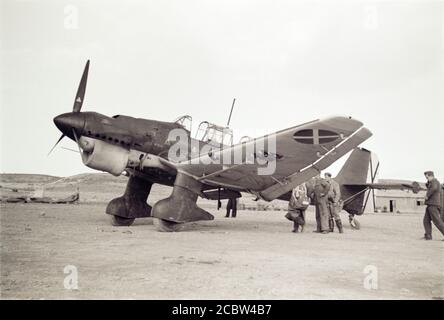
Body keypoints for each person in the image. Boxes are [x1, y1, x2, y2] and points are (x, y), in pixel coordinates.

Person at [422, 171, 444, 240]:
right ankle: (428, 236)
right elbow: (431, 187)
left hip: (433, 204)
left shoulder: (434, 181)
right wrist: (428, 183)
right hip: (430, 204)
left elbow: (433, 188)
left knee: (437, 221)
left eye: (427, 176)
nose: (426, 177)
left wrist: (427, 196)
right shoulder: (432, 182)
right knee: (426, 220)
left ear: (430, 175)